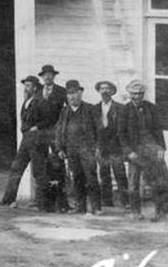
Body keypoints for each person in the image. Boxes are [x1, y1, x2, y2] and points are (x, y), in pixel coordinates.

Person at [118, 79, 168, 221]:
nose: (137, 97)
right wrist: (129, 152)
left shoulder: (151, 108)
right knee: (133, 183)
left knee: (158, 180)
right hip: (135, 151)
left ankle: (159, 212)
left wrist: (161, 148)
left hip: (152, 148)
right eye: (134, 94)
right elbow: (121, 134)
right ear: (130, 94)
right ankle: (136, 212)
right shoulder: (124, 110)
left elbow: (158, 130)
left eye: (140, 94)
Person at [0, 75, 53, 209]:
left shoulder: (41, 101)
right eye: (25, 86)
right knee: (16, 168)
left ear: (35, 88)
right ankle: (8, 199)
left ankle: (43, 203)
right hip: (26, 140)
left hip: (37, 140)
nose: (26, 88)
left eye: (28, 86)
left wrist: (37, 127)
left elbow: (49, 120)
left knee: (38, 171)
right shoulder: (27, 101)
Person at [54, 80, 102, 215]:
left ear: (80, 93)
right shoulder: (64, 111)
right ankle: (80, 207)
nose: (72, 97)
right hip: (71, 150)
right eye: (69, 94)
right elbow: (58, 131)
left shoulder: (90, 109)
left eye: (74, 93)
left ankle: (96, 207)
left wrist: (98, 148)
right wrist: (60, 149)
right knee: (77, 178)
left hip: (87, 149)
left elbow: (99, 130)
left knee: (91, 178)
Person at [39, 64, 70, 211]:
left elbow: (67, 112)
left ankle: (62, 202)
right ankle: (43, 201)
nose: (47, 77)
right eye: (45, 75)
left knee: (58, 165)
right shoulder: (38, 91)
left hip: (55, 133)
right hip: (41, 133)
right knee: (41, 165)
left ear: (54, 76)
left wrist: (61, 129)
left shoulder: (61, 92)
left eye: (50, 74)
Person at [94, 80, 129, 209]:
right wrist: (96, 146)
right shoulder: (95, 109)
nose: (105, 91)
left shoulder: (120, 108)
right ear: (99, 91)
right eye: (102, 88)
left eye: (107, 88)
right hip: (102, 146)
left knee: (120, 173)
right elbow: (93, 129)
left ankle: (126, 201)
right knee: (104, 174)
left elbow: (124, 129)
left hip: (116, 146)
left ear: (112, 92)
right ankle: (107, 202)